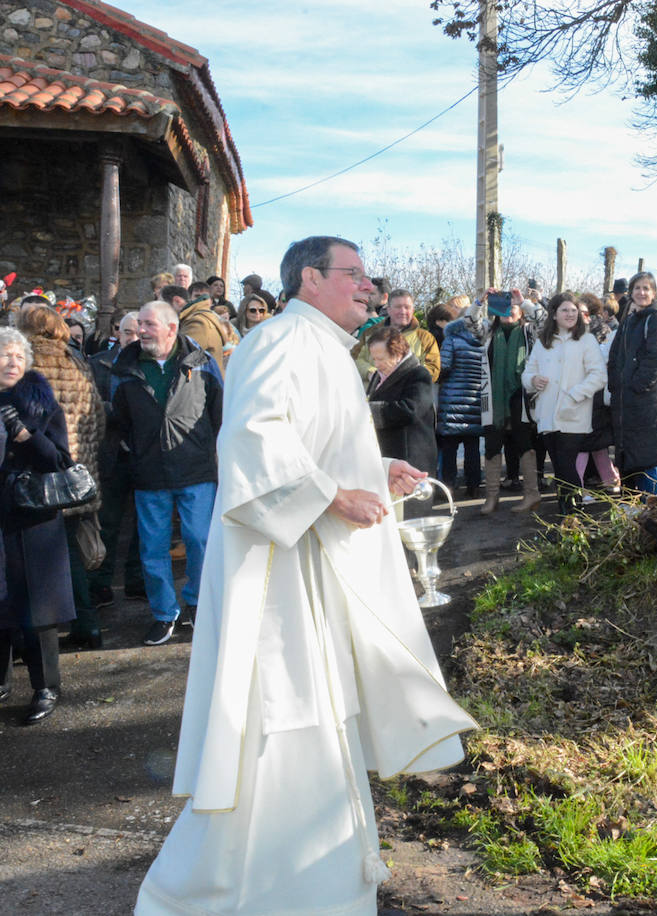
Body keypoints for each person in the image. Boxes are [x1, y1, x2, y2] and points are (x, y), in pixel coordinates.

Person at [136, 236, 476, 914]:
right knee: (285, 720)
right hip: (279, 577)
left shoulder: (325, 347)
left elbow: (310, 443)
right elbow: (253, 441)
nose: (370, 288)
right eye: (355, 275)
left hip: (311, 567)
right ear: (310, 279)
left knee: (322, 715)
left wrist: (375, 472)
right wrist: (327, 496)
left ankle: (317, 887)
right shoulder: (282, 339)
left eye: (369, 278)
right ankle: (250, 893)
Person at [110, 301, 222, 647]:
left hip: (197, 470)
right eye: (139, 324)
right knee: (153, 549)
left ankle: (199, 602)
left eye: (148, 324)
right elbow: (119, 420)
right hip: (150, 474)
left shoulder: (203, 364)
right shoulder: (124, 368)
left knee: (201, 541)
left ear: (171, 329)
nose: (141, 330)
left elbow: (219, 413)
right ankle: (163, 614)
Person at [17, 307, 105, 649]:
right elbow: (96, 417)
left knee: (45, 557)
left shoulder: (27, 363)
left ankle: (54, 634)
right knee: (74, 549)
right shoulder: (77, 360)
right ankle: (88, 624)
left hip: (42, 475)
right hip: (78, 472)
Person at [0, 327, 76, 724]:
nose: (12, 362)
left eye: (18, 356)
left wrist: (25, 434)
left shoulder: (41, 404)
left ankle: (46, 685)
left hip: (32, 518)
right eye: (4, 355)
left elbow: (59, 460)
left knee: (38, 604)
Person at [523, 293, 607, 514]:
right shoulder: (543, 342)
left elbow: (598, 376)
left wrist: (574, 395)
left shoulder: (586, 340)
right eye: (565, 310)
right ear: (554, 314)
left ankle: (574, 514)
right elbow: (528, 372)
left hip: (574, 413)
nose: (570, 314)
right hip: (547, 415)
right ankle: (567, 516)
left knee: (567, 465)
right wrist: (533, 380)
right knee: (559, 468)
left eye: (573, 310)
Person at [88, 313, 145, 610]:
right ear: (117, 333)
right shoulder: (99, 363)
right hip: (111, 453)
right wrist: (121, 411)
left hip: (142, 454)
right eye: (127, 332)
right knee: (107, 523)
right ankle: (101, 585)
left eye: (138, 332)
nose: (133, 337)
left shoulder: (149, 364)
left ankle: (136, 581)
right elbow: (91, 405)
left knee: (142, 525)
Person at [606, 271, 657, 495]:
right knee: (629, 458)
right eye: (637, 288)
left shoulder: (656, 318)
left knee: (647, 457)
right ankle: (636, 515)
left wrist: (636, 386)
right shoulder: (630, 320)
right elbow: (614, 356)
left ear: (654, 293)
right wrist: (616, 384)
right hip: (625, 402)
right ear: (631, 292)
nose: (641, 292)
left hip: (646, 401)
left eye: (646, 288)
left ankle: (656, 509)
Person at [480, 292, 540, 513]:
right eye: (502, 307)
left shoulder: (529, 331)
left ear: (520, 311)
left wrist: (523, 301)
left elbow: (544, 320)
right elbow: (470, 322)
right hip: (493, 398)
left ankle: (532, 495)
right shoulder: (487, 332)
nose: (508, 311)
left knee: (524, 444)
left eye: (512, 307)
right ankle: (491, 498)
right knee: (492, 445)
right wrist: (480, 301)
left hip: (520, 396)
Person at [365, 325, 438, 478]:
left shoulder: (418, 374)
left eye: (381, 359)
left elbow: (410, 410)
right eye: (374, 359)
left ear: (398, 354)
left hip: (411, 460)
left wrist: (367, 412)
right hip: (387, 459)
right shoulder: (379, 375)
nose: (376, 364)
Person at [437, 303, 487, 497]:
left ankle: (448, 485)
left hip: (452, 401)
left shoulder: (451, 339)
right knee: (472, 447)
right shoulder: (483, 341)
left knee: (449, 448)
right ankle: (473, 484)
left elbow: (445, 366)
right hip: (475, 401)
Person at [575, 293, 621, 499]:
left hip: (586, 393)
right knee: (597, 445)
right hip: (596, 393)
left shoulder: (583, 331)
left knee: (585, 445)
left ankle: (578, 487)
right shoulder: (603, 329)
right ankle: (612, 481)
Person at [356, 289, 440, 383]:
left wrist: (407, 376)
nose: (403, 311)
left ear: (413, 310)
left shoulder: (426, 338)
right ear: (389, 310)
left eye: (407, 307)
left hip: (408, 395)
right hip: (373, 395)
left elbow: (433, 369)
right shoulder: (370, 333)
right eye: (398, 307)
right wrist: (371, 373)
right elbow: (355, 359)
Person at [178, 281, 232, 372]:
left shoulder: (199, 322)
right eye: (197, 296)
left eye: (204, 297)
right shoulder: (206, 318)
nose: (200, 301)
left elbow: (183, 356)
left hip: (201, 381)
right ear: (190, 298)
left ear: (210, 301)